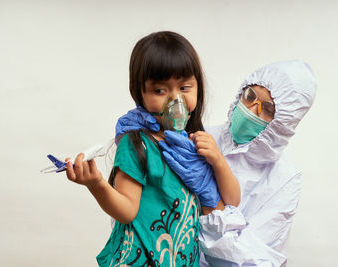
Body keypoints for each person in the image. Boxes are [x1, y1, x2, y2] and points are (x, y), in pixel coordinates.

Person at [116, 60, 317, 266]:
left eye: (267, 108)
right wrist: (140, 141)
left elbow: (253, 262)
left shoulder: (285, 180)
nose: (251, 110)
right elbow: (145, 205)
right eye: (250, 96)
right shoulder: (199, 138)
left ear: (284, 122)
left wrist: (212, 201)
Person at [64, 31, 240, 266]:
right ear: (140, 93)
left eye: (185, 87)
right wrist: (97, 185)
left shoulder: (196, 143)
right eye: (160, 90)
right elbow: (126, 211)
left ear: (198, 86)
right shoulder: (136, 143)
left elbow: (232, 202)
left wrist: (217, 161)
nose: (175, 99)